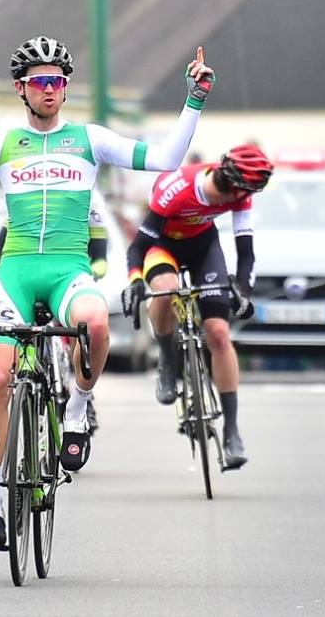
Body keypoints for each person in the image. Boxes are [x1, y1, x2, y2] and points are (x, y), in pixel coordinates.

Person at [0, 19, 214, 549]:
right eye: (39, 81)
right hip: (16, 272)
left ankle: (79, 411)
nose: (50, 89)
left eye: (58, 81)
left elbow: (165, 160)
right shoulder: (1, 142)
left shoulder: (90, 140)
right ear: (20, 88)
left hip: (68, 268)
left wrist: (194, 101)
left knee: (94, 325)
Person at [120, 145, 271, 470]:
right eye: (243, 192)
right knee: (165, 291)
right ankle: (167, 358)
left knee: (218, 332)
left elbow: (246, 254)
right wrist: (134, 282)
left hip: (203, 246)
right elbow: (138, 247)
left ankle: (232, 430)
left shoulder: (241, 192)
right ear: (230, 182)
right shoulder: (176, 190)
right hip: (161, 247)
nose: (242, 199)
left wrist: (243, 290)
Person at [0, 187, 111, 434]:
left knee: (78, 327)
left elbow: (100, 256)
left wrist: (89, 276)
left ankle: (78, 385)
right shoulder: (28, 202)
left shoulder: (88, 201)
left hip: (71, 275)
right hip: (27, 279)